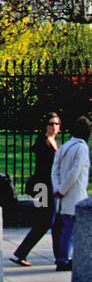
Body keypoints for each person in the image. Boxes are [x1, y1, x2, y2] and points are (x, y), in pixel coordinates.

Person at [12, 113, 61, 266]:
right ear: (46, 126)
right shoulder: (43, 143)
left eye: (56, 124)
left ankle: (60, 255)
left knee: (53, 221)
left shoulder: (53, 142)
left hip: (49, 185)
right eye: (51, 123)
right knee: (45, 221)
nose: (54, 126)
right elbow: (44, 168)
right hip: (43, 187)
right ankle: (22, 252)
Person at [50, 115, 90, 272]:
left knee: (66, 228)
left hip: (62, 195)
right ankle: (63, 259)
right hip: (75, 194)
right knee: (70, 230)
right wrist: (63, 189)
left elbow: (55, 169)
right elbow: (75, 172)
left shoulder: (65, 146)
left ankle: (62, 257)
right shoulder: (82, 148)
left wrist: (57, 189)